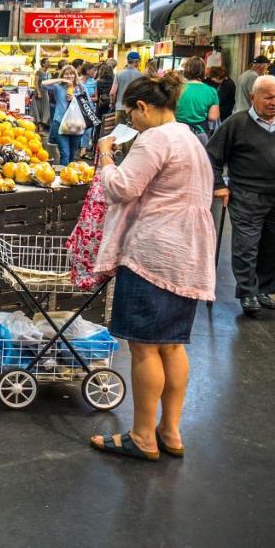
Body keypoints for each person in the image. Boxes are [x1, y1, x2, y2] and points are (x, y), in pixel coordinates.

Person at [89, 72, 215, 462]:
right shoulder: (189, 138)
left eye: (131, 114)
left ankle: (143, 436)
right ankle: (170, 431)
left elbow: (121, 188)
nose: (132, 122)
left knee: (144, 349)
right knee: (172, 345)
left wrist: (106, 156)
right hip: (189, 252)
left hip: (154, 253)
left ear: (142, 107)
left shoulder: (154, 138)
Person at [206, 75, 275, 317]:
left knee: (271, 246)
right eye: (268, 97)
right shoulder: (237, 123)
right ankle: (247, 292)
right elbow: (212, 156)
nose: (273, 102)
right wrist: (218, 184)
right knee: (246, 245)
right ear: (252, 97)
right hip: (247, 194)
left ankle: (264, 288)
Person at [43, 65, 90, 165]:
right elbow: (43, 84)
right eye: (66, 74)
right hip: (60, 123)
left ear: (75, 75)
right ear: (63, 75)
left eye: (71, 74)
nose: (69, 76)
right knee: (65, 153)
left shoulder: (81, 87)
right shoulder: (58, 87)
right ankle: (64, 175)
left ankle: (70, 174)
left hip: (77, 124)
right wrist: (60, 79)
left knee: (72, 154)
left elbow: (88, 104)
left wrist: (75, 99)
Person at [175, 56, 219, 139]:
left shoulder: (177, 88)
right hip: (200, 133)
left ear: (186, 70)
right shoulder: (211, 91)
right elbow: (213, 117)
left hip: (179, 132)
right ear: (203, 71)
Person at [111, 51, 143, 125]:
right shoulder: (140, 75)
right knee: (131, 132)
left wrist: (112, 103)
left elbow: (112, 93)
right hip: (133, 108)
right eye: (138, 62)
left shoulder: (119, 74)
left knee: (119, 131)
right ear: (136, 62)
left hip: (120, 107)